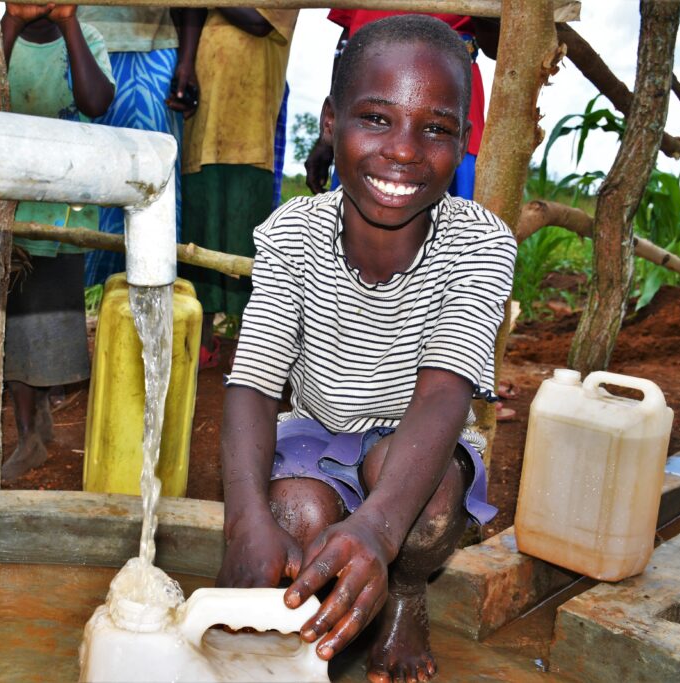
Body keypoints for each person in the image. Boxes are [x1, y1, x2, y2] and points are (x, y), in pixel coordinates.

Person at [217, 16, 516, 683]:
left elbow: (445, 389)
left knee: (428, 508)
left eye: (436, 128)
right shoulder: (291, 232)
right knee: (293, 512)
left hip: (419, 439)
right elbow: (255, 384)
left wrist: (380, 533)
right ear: (331, 121)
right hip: (317, 431)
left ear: (462, 139)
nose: (405, 150)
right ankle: (313, 618)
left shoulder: (481, 244)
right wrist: (243, 519)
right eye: (377, 118)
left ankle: (406, 592)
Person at [0, 1, 114, 481]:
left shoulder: (88, 41)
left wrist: (68, 22)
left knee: (38, 328)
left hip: (56, 211)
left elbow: (97, 102)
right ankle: (26, 432)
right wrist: (13, 21)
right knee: (0, 322)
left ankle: (33, 429)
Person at [178, 6, 298, 369]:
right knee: (199, 238)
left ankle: (255, 354)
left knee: (249, 246)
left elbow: (259, 21)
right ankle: (202, 342)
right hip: (202, 129)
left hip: (251, 137)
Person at [305, 10, 498, 200]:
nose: (402, 153)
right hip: (360, 113)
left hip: (449, 113)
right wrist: (328, 136)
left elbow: (501, 42)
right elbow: (347, 39)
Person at [78, 5, 203, 287]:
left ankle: (149, 298)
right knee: (78, 174)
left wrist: (186, 63)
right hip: (76, 41)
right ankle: (66, 305)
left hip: (152, 48)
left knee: (152, 183)